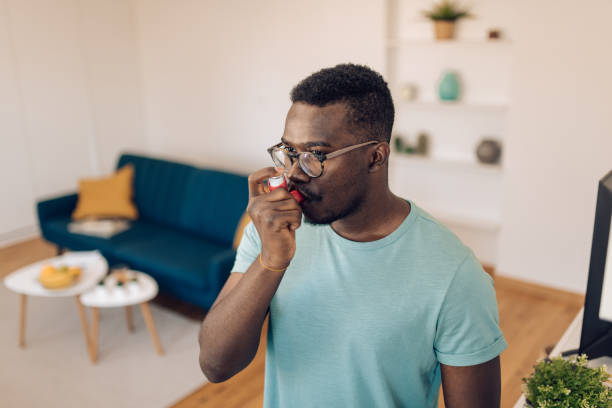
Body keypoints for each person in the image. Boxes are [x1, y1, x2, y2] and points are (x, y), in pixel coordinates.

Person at [198, 63, 507, 408]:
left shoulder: (455, 275)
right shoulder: (272, 234)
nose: (294, 174)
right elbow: (215, 365)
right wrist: (270, 263)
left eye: (315, 156)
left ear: (375, 157)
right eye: (289, 153)